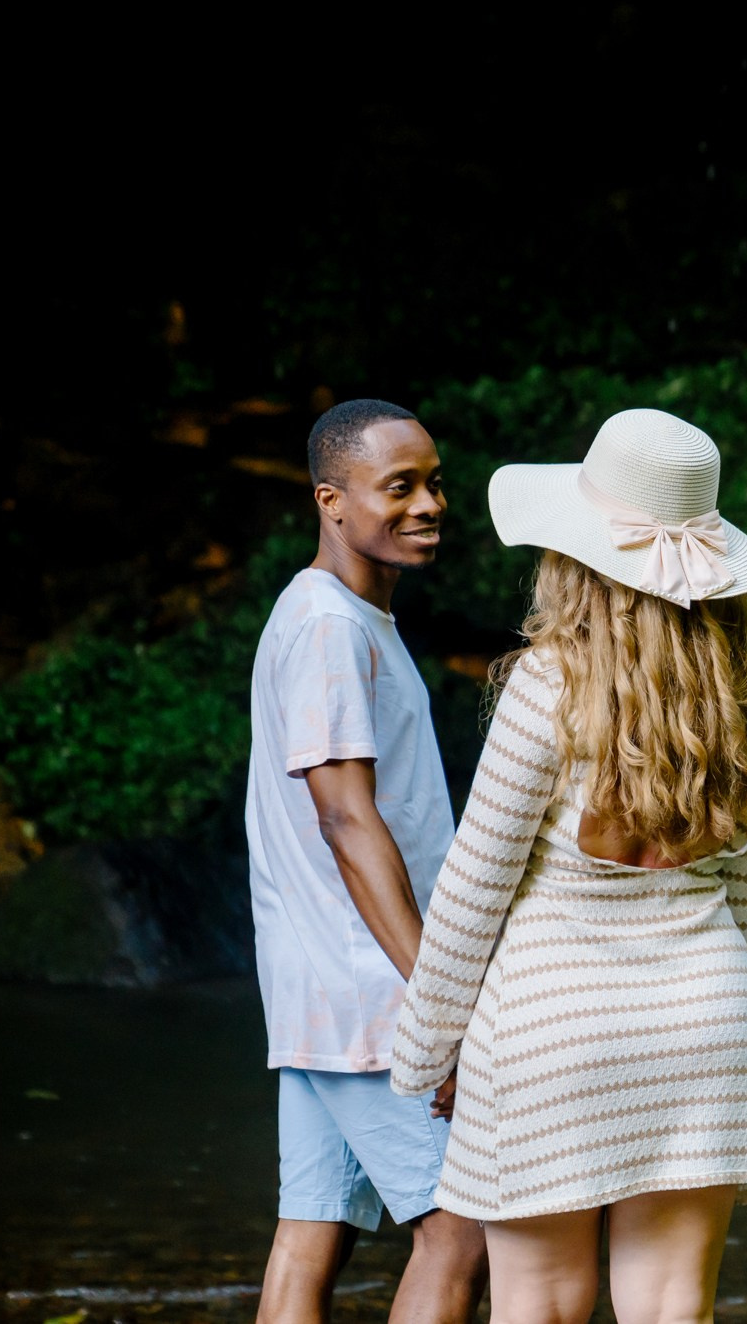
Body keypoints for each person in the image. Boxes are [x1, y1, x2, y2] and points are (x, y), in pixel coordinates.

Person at [390, 407, 747, 1324]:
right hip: (706, 1026)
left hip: (553, 1031)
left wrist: (422, 1054)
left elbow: (473, 890)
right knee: (668, 1311)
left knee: (542, 1306)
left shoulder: (549, 684)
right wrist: (721, 1027)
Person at [245, 399, 488, 1324]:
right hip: (371, 989)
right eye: (400, 487)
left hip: (322, 981)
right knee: (461, 1232)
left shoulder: (340, 616)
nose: (429, 504)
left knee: (313, 1234)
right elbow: (347, 820)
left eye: (434, 483)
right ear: (331, 501)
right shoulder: (329, 628)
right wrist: (441, 1004)